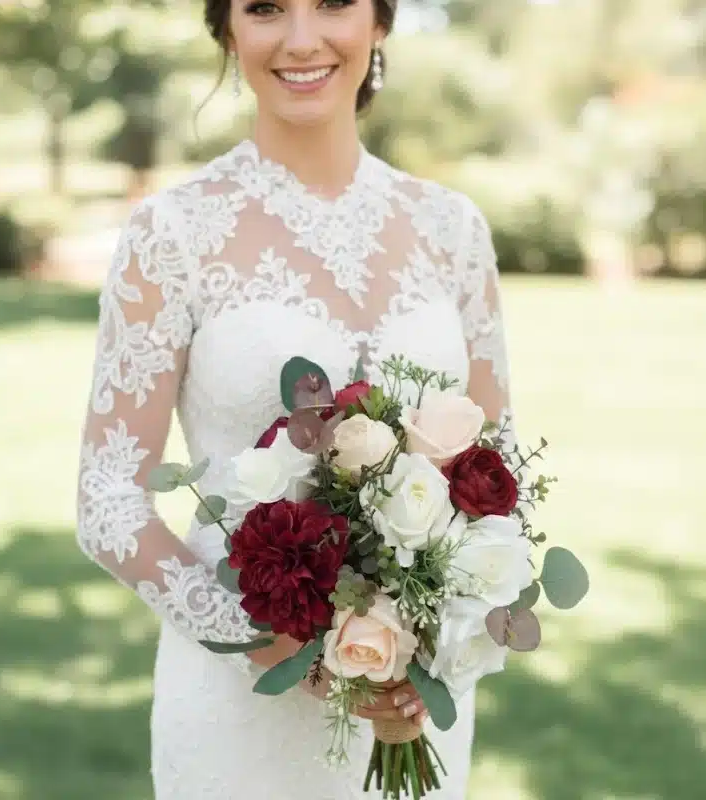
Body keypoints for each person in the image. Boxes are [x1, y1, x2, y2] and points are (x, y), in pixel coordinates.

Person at [75, 0, 516, 795]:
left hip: (412, 697)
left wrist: (443, 645)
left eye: (334, 3)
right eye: (266, 8)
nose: (302, 39)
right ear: (227, 30)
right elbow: (108, 497)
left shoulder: (453, 231)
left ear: (381, 22)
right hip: (238, 708)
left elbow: (497, 471)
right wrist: (255, 637)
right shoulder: (172, 232)